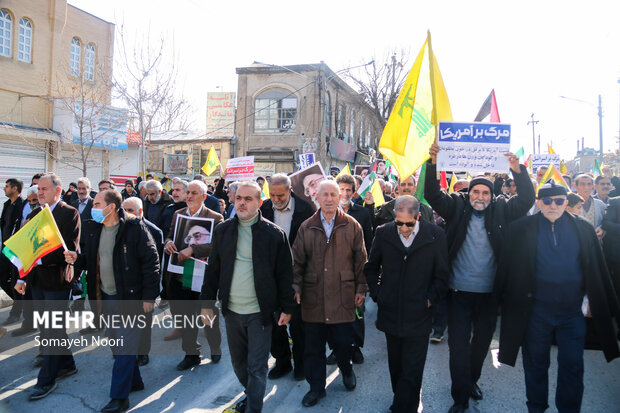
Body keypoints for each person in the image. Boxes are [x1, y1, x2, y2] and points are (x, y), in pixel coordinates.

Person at [425, 144, 535, 413]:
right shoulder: (456, 206)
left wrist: (518, 172)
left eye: (485, 192)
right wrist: (432, 163)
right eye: (476, 191)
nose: (480, 196)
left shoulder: (502, 209)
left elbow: (527, 200)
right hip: (458, 294)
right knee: (458, 349)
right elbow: (431, 194)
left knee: (479, 348)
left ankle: (470, 381)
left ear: (491, 194)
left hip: (489, 296)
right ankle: (460, 398)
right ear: (469, 192)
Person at [498, 180, 620, 413]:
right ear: (538, 203)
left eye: (559, 200)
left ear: (566, 202)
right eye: (547, 200)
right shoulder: (521, 229)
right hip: (536, 311)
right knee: (535, 364)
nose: (553, 205)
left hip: (571, 313)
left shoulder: (583, 229)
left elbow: (596, 269)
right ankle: (536, 408)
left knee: (573, 366)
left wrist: (592, 300)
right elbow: (507, 269)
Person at [201, 181, 295, 413]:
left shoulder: (274, 235)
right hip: (232, 311)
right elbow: (213, 268)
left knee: (257, 366)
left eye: (248, 199)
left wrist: (287, 308)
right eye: (239, 198)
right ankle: (251, 393)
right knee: (238, 363)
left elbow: (285, 275)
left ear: (259, 202)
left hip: (260, 313)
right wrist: (205, 303)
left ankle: (254, 407)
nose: (242, 202)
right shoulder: (223, 230)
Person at [64, 190, 159, 413]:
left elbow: (151, 263)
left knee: (124, 347)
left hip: (130, 298)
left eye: (97, 204)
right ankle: (134, 381)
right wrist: (77, 259)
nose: (93, 208)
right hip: (105, 297)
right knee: (118, 346)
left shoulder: (134, 228)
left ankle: (119, 398)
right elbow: (92, 260)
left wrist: (148, 297)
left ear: (111, 207)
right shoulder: (94, 228)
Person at [364, 195, 449, 413]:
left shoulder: (435, 235)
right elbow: (371, 267)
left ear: (418, 217)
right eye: (399, 222)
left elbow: (442, 275)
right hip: (390, 311)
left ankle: (402, 407)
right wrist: (378, 294)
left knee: (413, 368)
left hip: (419, 313)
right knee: (397, 366)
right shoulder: (384, 232)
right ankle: (405, 402)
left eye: (409, 224)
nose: (403, 228)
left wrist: (429, 300)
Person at [292, 180, 368, 407]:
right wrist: (296, 287)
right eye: (324, 194)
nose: (328, 199)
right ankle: (316, 388)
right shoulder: (307, 226)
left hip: (343, 296)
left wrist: (361, 288)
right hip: (313, 297)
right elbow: (297, 261)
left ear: (340, 197)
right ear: (317, 197)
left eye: (333, 194)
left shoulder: (351, 225)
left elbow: (361, 260)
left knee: (343, 343)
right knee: (313, 348)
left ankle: (346, 370)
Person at [14, 173, 80, 401]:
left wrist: (39, 258)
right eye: (38, 188)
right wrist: (22, 279)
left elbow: (68, 250)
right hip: (37, 282)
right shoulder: (34, 214)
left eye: (44, 188)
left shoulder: (69, 213)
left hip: (58, 281)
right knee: (50, 327)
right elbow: (26, 250)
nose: (39, 192)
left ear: (58, 191)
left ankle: (46, 380)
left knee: (52, 329)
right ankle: (67, 363)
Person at [163, 180, 223, 370]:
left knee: (207, 316)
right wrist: (168, 243)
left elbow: (217, 247)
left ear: (204, 197)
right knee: (184, 316)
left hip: (203, 278)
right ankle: (191, 354)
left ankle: (214, 347)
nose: (189, 196)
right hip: (179, 276)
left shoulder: (215, 218)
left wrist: (193, 249)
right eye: (188, 192)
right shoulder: (178, 214)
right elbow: (171, 235)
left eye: (194, 193)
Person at [259, 173, 313, 381]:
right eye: (272, 195)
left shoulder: (305, 209)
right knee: (274, 323)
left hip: (296, 275)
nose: (276, 200)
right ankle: (282, 361)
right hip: (270, 276)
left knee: (299, 324)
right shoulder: (263, 209)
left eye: (280, 195)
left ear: (290, 191)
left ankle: (301, 363)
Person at [334, 173, 374, 365]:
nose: (344, 193)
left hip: (355, 269)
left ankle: (355, 347)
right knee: (334, 311)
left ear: (354, 191)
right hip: (332, 270)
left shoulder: (362, 213)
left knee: (357, 311)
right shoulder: (327, 211)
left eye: (348, 190)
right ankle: (336, 348)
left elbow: (368, 242)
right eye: (341, 189)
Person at [122, 196, 164, 366]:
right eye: (123, 210)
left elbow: (154, 266)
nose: (125, 214)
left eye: (129, 210)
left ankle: (142, 352)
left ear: (140, 212)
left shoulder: (153, 231)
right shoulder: (120, 227)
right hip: (125, 286)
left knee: (143, 322)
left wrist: (150, 295)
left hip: (143, 286)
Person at [159, 179, 189, 314]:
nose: (174, 193)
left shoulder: (191, 210)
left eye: (178, 190)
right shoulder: (169, 209)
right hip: (170, 253)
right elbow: (164, 231)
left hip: (189, 256)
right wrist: (167, 241)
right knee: (171, 284)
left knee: (189, 291)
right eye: (173, 190)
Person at [1, 178, 24, 325]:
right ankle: (19, 301)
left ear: (14, 188)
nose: (4, 188)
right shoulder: (7, 204)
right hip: (5, 248)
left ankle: (16, 311)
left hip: (17, 250)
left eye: (7, 186)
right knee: (2, 277)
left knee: (17, 279)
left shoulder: (22, 205)